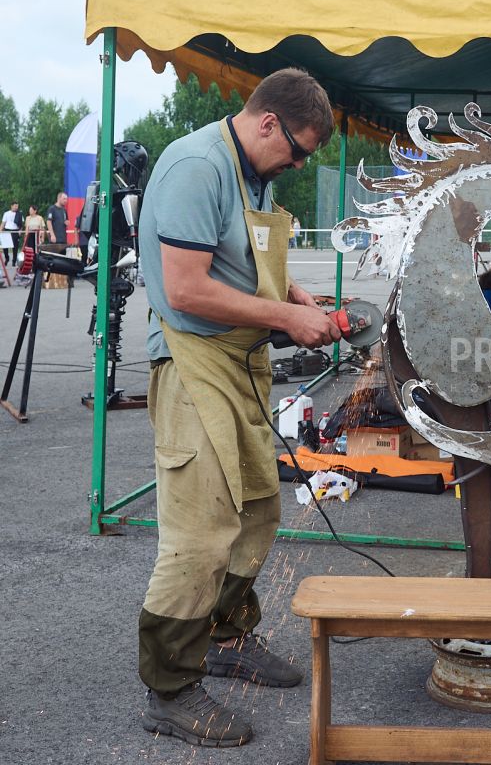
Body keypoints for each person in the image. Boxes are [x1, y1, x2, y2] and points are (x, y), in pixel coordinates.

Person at [136, 68, 337, 747]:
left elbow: (238, 263)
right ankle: (169, 688)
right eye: (298, 150)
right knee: (200, 531)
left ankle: (224, 637)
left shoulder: (256, 174)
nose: (299, 164)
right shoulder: (197, 168)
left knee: (256, 507)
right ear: (268, 122)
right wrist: (284, 316)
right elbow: (187, 290)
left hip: (240, 362)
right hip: (192, 362)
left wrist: (293, 294)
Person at [1, 201, 18, 269]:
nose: (16, 207)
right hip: (7, 230)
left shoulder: (19, 214)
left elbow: (21, 224)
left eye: (17, 206)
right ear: (11, 206)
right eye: (15, 206)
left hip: (15, 231)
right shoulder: (6, 213)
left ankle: (14, 261)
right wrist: (0, 230)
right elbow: (3, 223)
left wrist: (20, 230)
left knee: (15, 247)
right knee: (5, 246)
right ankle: (7, 258)